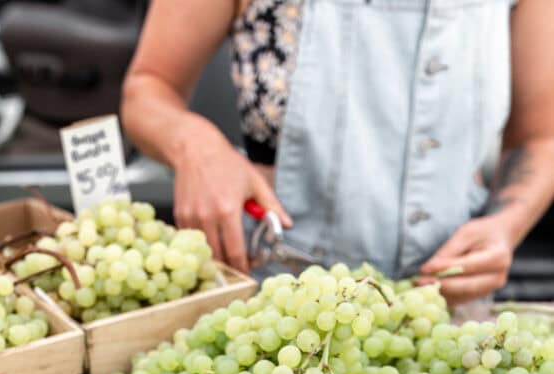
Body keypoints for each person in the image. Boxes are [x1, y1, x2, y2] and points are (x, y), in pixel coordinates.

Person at [121, 0, 554, 304]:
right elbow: (148, 89)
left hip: (445, 318)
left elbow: (540, 137)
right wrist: (195, 144)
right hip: (279, 317)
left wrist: (505, 225)